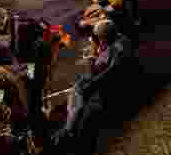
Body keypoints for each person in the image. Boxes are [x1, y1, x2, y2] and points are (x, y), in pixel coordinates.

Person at [52, 19, 132, 147]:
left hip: (106, 83)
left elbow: (100, 72)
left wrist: (92, 57)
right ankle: (70, 119)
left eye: (99, 38)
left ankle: (68, 129)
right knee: (77, 90)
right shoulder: (121, 40)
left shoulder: (113, 51)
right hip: (113, 78)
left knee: (78, 92)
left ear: (104, 38)